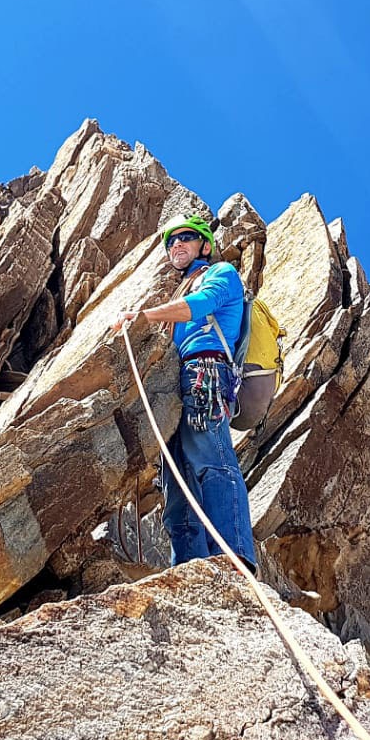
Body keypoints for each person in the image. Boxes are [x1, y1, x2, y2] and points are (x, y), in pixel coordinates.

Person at [113, 215, 258, 570]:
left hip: (207, 369)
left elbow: (201, 304)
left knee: (212, 457)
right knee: (176, 483)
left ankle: (233, 557)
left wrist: (143, 316)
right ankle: (190, 567)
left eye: (186, 238)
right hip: (178, 383)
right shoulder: (182, 288)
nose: (176, 244)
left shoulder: (220, 273)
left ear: (204, 246)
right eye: (170, 241)